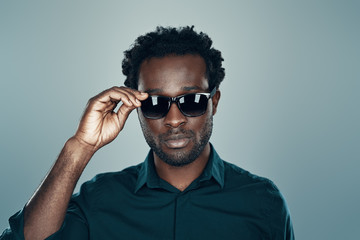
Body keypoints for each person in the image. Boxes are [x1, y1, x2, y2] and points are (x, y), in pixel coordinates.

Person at [1, 26, 294, 240]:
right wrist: (80, 146)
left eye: (191, 101)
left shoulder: (262, 201)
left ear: (213, 103)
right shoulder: (100, 199)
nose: (174, 119)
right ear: (135, 107)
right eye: (156, 103)